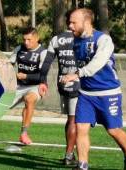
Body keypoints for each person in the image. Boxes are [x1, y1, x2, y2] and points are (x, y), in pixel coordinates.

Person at [63, 8, 126, 170]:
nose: (70, 26)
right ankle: (83, 164)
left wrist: (76, 74)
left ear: (87, 22)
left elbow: (98, 63)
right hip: (86, 94)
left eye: (73, 22)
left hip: (108, 93)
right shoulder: (75, 40)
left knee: (113, 130)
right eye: (69, 22)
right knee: (81, 127)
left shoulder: (103, 40)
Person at [39, 11, 79, 165]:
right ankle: (70, 156)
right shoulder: (82, 38)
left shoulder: (56, 39)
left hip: (62, 83)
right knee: (75, 121)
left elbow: (47, 62)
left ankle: (71, 153)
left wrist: (43, 81)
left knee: (70, 120)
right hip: (78, 83)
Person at [9, 27, 47, 145]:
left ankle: (24, 133)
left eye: (29, 40)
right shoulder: (19, 49)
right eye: (24, 39)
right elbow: (9, 65)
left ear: (37, 38)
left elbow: (42, 75)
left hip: (35, 86)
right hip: (18, 86)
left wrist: (25, 76)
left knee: (29, 99)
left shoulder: (43, 52)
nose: (26, 42)